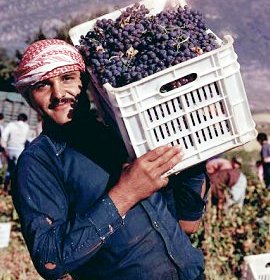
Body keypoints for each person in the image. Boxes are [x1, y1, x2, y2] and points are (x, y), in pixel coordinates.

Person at [11, 39, 209, 280]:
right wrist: (126, 193)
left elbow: (186, 224)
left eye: (67, 78)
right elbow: (50, 260)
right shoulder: (38, 162)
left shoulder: (121, 134)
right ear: (30, 99)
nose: (59, 94)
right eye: (42, 85)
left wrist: (193, 155)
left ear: (83, 82)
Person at [1, 113, 30, 191]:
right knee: (18, 170)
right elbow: (27, 140)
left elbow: (3, 137)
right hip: (20, 150)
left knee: (9, 168)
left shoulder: (11, 124)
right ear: (25, 120)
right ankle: (15, 189)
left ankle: (5, 187)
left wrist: (5, 148)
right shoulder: (27, 127)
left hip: (10, 149)